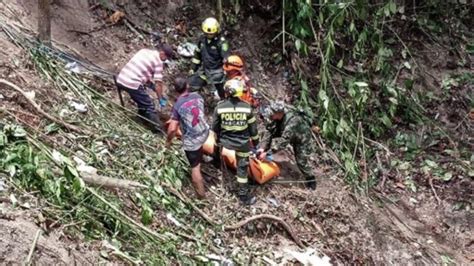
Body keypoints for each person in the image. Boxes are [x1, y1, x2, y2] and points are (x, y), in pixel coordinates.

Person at [212, 79, 259, 205]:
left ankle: (215, 160)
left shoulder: (220, 107)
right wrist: (256, 145)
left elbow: (215, 128)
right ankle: (243, 196)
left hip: (225, 142)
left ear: (227, 92)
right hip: (242, 144)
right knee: (242, 170)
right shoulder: (247, 108)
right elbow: (253, 130)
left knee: (216, 142)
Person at [115, 33, 174, 133]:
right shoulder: (159, 62)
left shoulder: (144, 51)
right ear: (162, 53)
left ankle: (142, 119)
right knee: (149, 105)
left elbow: (142, 73)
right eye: (166, 58)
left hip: (121, 78)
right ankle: (158, 131)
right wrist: (160, 98)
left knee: (142, 100)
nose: (165, 61)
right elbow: (158, 83)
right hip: (132, 83)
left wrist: (152, 87)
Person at [257, 101, 317, 190]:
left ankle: (311, 180)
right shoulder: (278, 117)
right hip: (288, 133)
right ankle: (263, 155)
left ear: (279, 113)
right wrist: (262, 148)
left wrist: (268, 153)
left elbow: (283, 142)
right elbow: (269, 131)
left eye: (272, 114)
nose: (271, 116)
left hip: (301, 139)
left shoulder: (292, 122)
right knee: (269, 132)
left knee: (301, 161)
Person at [166, 77, 209, 198]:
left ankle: (201, 197)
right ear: (188, 86)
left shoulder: (178, 105)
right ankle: (203, 156)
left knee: (195, 168)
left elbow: (173, 128)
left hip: (193, 140)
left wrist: (168, 141)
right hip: (205, 132)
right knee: (198, 145)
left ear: (175, 90)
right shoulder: (198, 96)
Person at [189, 17, 230, 100]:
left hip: (217, 72)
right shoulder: (202, 40)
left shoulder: (221, 42)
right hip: (205, 70)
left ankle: (222, 104)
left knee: (221, 94)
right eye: (207, 33)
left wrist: (226, 71)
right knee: (192, 84)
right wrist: (193, 68)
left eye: (211, 34)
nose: (209, 35)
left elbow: (226, 59)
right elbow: (197, 56)